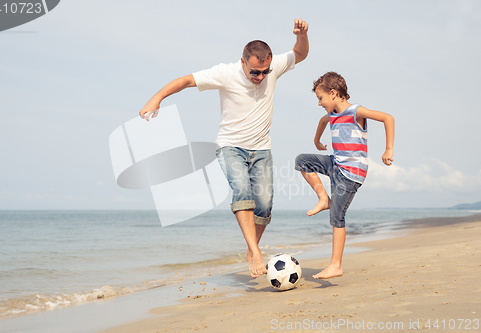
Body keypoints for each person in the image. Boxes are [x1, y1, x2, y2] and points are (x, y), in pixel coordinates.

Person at [139, 19, 309, 278]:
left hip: (262, 149)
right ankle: (255, 251)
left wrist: (302, 35)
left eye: (265, 71)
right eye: (255, 72)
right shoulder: (225, 73)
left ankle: (252, 249)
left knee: (264, 205)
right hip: (231, 147)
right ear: (243, 63)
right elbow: (186, 80)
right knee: (242, 191)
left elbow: (300, 53)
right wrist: (156, 98)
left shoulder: (272, 69)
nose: (260, 77)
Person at [294, 71, 394, 279]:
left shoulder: (356, 111)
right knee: (302, 161)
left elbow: (387, 118)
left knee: (337, 217)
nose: (319, 103)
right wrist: (317, 142)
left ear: (333, 93)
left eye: (320, 98)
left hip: (350, 174)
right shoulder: (331, 114)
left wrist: (388, 149)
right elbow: (322, 122)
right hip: (335, 163)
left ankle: (336, 265)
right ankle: (323, 198)